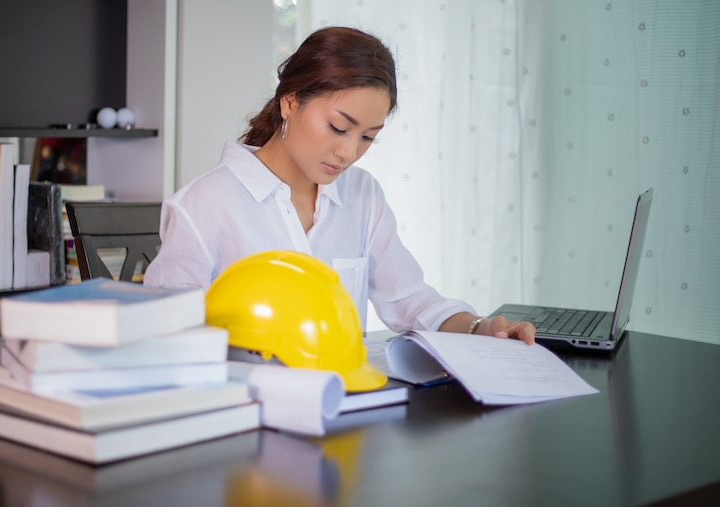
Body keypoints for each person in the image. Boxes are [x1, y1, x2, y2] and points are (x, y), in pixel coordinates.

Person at [144, 26, 535, 344]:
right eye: (338, 127)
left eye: (367, 137)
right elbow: (164, 335)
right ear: (290, 102)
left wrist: (481, 329)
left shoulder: (362, 196)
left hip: (345, 409)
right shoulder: (204, 205)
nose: (348, 152)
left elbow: (410, 299)